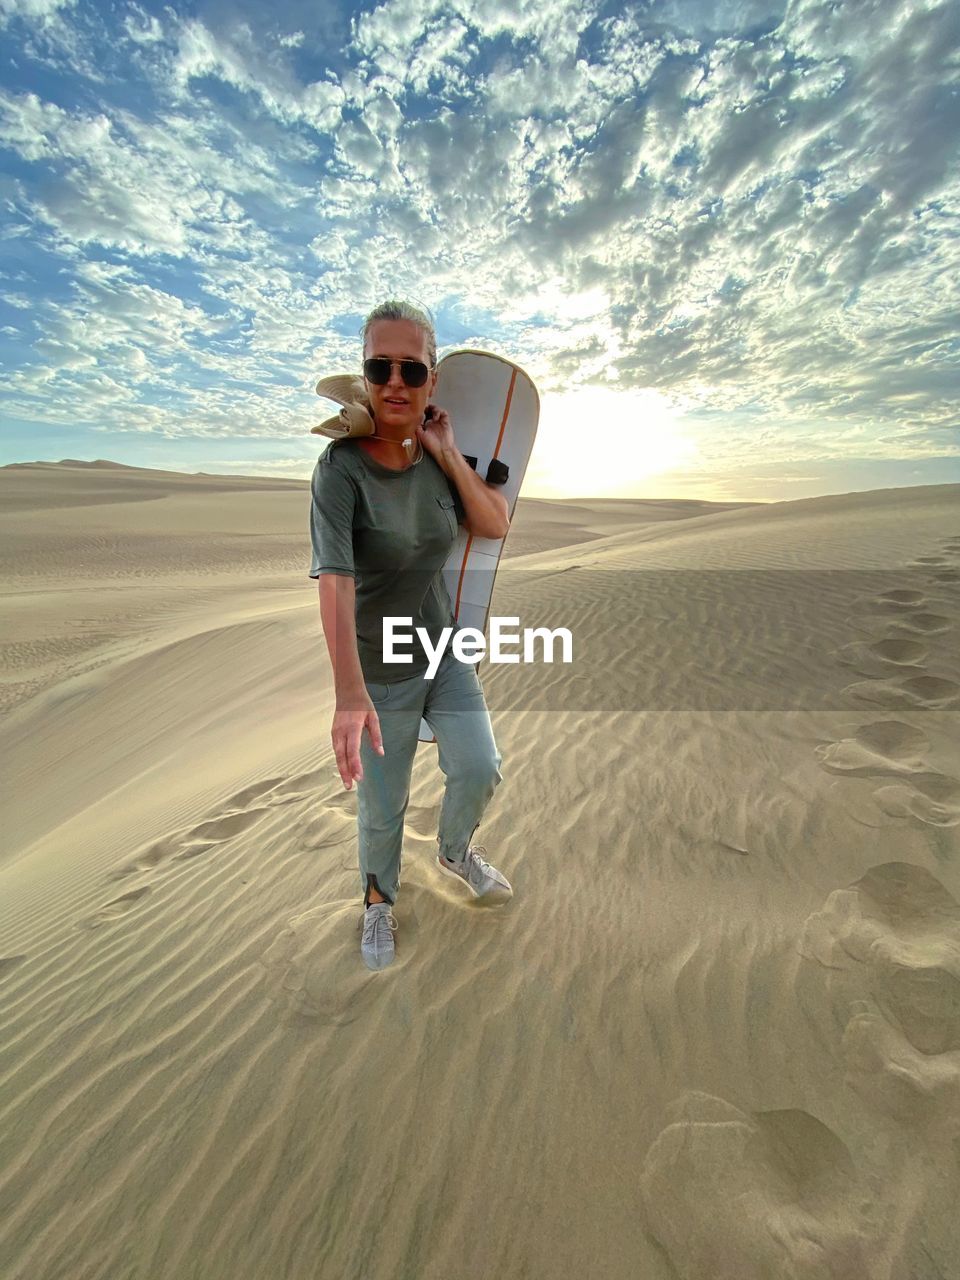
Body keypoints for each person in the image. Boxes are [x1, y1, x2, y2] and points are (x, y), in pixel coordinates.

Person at [309, 299, 513, 971]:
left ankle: (454, 852)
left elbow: (492, 523)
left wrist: (447, 453)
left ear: (431, 379)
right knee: (383, 803)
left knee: (480, 767)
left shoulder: (434, 460)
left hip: (441, 647)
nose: (395, 382)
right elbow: (334, 578)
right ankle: (378, 901)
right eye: (379, 367)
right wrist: (348, 693)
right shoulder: (340, 471)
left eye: (412, 368)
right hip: (380, 668)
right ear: (365, 376)